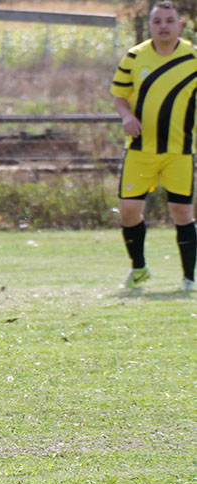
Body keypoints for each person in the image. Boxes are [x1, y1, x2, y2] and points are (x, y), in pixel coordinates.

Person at [111, 0, 197, 291]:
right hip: (140, 150)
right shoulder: (135, 56)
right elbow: (120, 96)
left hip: (179, 152)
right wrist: (126, 116)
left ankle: (188, 279)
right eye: (157, 21)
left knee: (182, 213)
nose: (163, 26)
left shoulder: (193, 58)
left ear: (180, 25)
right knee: (127, 211)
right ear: (150, 25)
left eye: (169, 21)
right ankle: (139, 269)